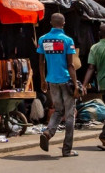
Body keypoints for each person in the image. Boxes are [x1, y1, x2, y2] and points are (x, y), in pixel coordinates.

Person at [36, 13, 80, 157]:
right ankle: (67, 149)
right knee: (69, 115)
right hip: (66, 81)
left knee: (58, 110)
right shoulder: (67, 40)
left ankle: (48, 132)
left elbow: (41, 62)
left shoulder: (43, 39)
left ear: (50, 22)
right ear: (64, 23)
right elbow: (70, 65)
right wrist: (76, 85)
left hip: (51, 80)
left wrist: (43, 80)